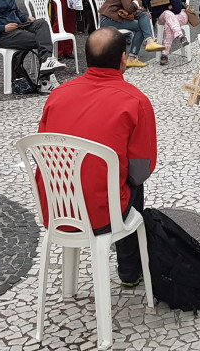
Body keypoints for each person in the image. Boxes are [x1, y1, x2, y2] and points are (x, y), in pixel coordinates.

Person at [36, 27, 157, 288]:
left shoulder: (58, 94)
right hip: (102, 214)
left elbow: (44, 149)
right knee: (132, 184)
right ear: (124, 58)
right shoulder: (135, 100)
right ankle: (129, 270)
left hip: (56, 208)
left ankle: (73, 285)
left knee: (115, 178)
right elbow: (140, 170)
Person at [98, 0, 165, 67]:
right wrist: (137, 1)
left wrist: (143, 11)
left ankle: (149, 41)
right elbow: (129, 8)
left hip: (116, 17)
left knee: (144, 15)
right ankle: (132, 57)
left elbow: (130, 9)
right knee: (141, 27)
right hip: (108, 19)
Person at [143, 0, 188, 66]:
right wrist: (167, 7)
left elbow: (178, 9)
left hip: (180, 16)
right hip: (162, 17)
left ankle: (164, 55)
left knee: (169, 23)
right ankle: (180, 36)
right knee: (167, 14)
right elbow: (154, 14)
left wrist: (162, 9)